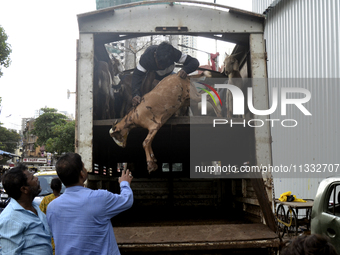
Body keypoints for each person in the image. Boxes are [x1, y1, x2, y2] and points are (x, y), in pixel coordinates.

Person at [46, 152, 133, 255]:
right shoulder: (100, 198)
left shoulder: (52, 207)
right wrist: (124, 183)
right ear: (82, 174)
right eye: (83, 167)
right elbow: (127, 200)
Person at [0, 164, 53, 255]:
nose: (36, 179)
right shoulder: (10, 219)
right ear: (24, 189)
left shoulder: (34, 206)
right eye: (32, 178)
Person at [131, 41, 200, 106]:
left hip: (169, 75)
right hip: (153, 76)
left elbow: (194, 62)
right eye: (159, 64)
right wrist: (136, 94)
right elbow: (137, 76)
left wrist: (185, 70)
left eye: (164, 65)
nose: (161, 67)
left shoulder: (174, 53)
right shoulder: (146, 58)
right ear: (155, 55)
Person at [39, 177, 62, 255]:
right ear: (61, 187)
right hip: (62, 235)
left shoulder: (46, 200)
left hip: (50, 236)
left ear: (51, 187)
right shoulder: (64, 199)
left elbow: (40, 217)